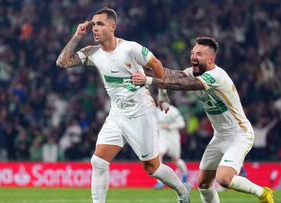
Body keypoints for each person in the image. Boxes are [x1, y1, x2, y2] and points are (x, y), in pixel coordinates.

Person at [56, 7, 190, 203]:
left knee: (152, 168)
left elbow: (157, 65)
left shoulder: (130, 48)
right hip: (117, 115)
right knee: (98, 161)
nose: (95, 28)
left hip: (141, 113)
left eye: (100, 24)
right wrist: (77, 36)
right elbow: (62, 62)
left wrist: (163, 94)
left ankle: (182, 191)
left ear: (112, 27)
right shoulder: (91, 52)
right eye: (93, 24)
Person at [132, 37, 274, 203]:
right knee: (204, 183)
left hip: (239, 134)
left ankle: (263, 193)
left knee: (223, 179)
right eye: (192, 53)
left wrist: (148, 80)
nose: (193, 57)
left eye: (199, 54)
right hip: (220, 136)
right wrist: (143, 65)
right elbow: (171, 75)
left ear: (211, 59)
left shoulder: (216, 76)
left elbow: (182, 84)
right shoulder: (194, 71)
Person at [155, 104, 188, 189]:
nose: (160, 101)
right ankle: (160, 182)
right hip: (162, 138)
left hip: (173, 139)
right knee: (159, 155)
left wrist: (170, 126)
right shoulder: (156, 111)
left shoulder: (173, 110)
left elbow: (182, 124)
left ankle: (185, 175)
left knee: (175, 160)